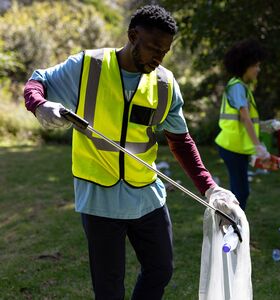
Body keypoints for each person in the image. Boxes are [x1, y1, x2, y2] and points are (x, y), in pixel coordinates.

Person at [23, 5, 238, 299]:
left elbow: (181, 142)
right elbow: (37, 82)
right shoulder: (88, 66)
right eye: (153, 48)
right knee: (109, 288)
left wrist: (210, 189)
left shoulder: (165, 84)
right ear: (132, 35)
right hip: (99, 198)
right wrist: (39, 105)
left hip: (147, 196)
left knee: (161, 269)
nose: (159, 58)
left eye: (165, 52)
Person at [214, 39, 268, 210]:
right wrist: (258, 146)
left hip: (235, 147)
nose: (258, 69)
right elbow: (245, 119)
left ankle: (234, 229)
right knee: (240, 193)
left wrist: (266, 125)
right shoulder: (238, 87)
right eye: (256, 65)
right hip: (233, 148)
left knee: (240, 191)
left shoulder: (239, 86)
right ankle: (234, 230)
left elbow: (247, 119)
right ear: (246, 65)